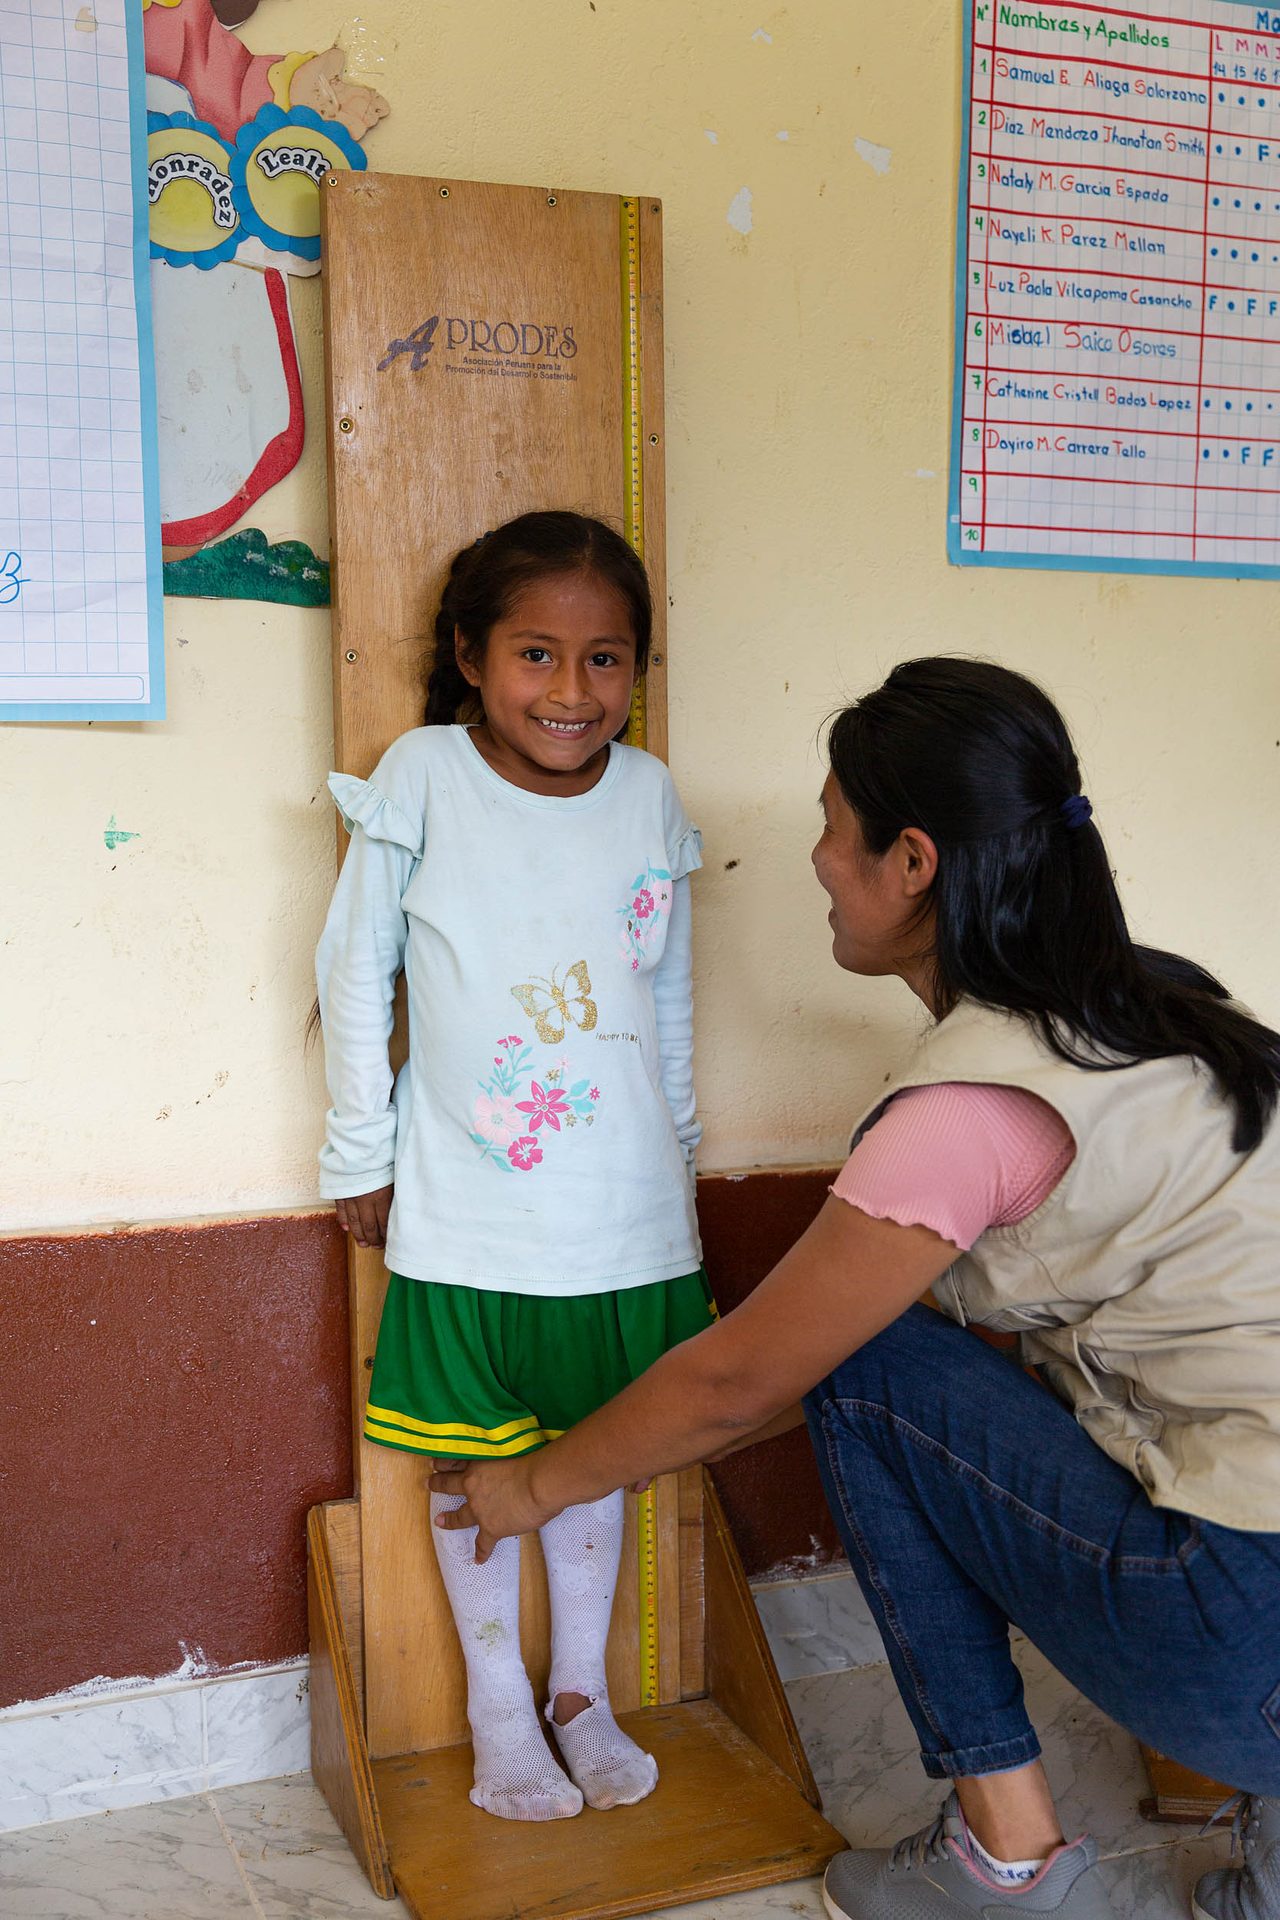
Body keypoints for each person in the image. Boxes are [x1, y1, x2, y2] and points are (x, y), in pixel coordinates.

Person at [431, 658, 1280, 1920]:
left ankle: (1006, 1860)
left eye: (833, 832)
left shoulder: (967, 1112)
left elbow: (746, 1379)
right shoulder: (1173, 1009)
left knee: (864, 1359)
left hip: (1247, 1649)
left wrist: (531, 1483)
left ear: (913, 863)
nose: (819, 862)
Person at [314, 511, 713, 1822]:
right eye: (537, 655)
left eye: (606, 660)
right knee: (466, 1464)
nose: (572, 690)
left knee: (597, 1453)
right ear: (471, 656)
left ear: (637, 671)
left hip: (627, 1213)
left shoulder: (649, 795)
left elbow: (667, 997)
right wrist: (358, 1154)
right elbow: (352, 973)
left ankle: (578, 1693)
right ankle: (499, 1716)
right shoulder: (423, 774)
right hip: (467, 1209)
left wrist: (686, 1155)